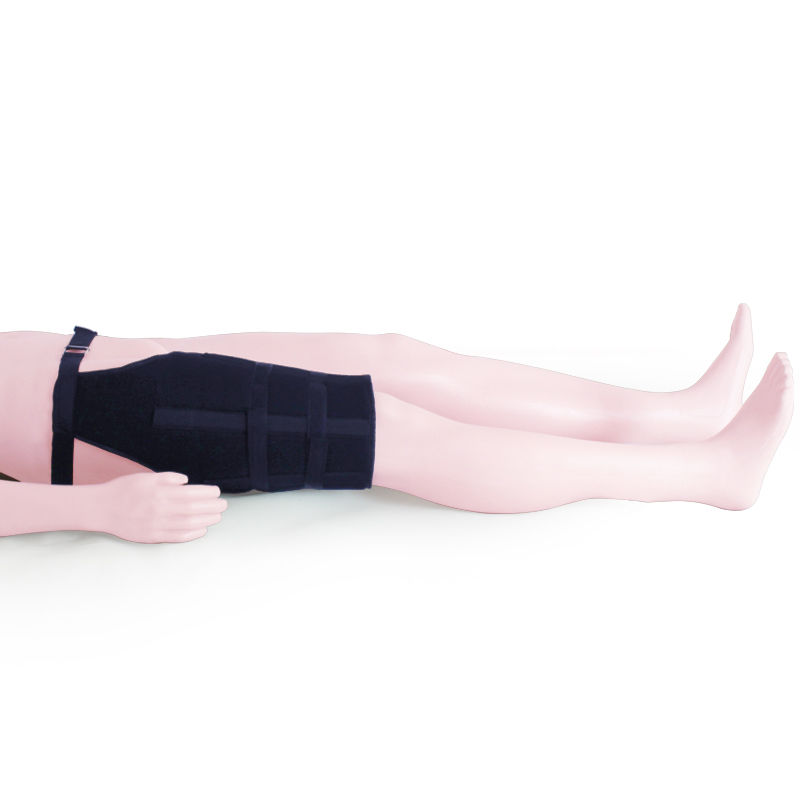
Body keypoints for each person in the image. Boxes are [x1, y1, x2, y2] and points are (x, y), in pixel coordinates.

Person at [0, 304, 792, 544]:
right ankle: (707, 473)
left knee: (397, 359)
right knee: (398, 435)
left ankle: (672, 417)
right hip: (110, 419)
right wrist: (96, 510)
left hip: (110, 359)